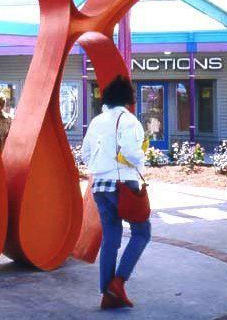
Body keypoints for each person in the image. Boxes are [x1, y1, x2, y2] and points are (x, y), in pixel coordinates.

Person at [81, 76, 151, 310]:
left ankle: (107, 293)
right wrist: (141, 157)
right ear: (128, 99)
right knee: (142, 232)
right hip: (123, 184)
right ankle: (119, 282)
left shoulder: (96, 121)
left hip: (99, 186)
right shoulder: (128, 120)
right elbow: (131, 152)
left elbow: (85, 154)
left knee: (110, 237)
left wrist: (101, 164)